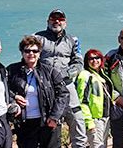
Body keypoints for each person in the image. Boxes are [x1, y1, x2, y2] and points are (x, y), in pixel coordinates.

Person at [34, 9, 87, 148]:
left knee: (77, 118)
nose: (56, 21)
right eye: (53, 18)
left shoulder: (73, 40)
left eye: (60, 18)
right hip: (44, 86)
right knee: (46, 120)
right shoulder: (37, 38)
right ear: (48, 21)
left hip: (66, 84)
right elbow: (29, 59)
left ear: (65, 22)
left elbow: (78, 63)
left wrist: (66, 74)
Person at [7, 36, 70, 148]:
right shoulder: (12, 71)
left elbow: (63, 94)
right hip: (24, 123)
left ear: (40, 53)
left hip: (47, 121)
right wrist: (15, 97)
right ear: (22, 53)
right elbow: (3, 91)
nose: (31, 53)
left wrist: (55, 117)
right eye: (27, 50)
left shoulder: (50, 71)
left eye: (35, 51)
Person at [77, 49, 114, 148]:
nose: (94, 61)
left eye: (97, 58)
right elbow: (82, 101)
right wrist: (89, 122)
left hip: (105, 117)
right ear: (86, 61)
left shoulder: (102, 74)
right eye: (91, 58)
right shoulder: (85, 76)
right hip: (95, 119)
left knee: (103, 145)